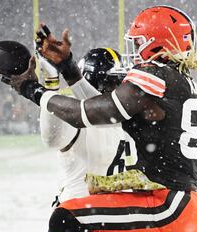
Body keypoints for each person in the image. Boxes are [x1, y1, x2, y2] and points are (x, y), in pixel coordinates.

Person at [8, 5, 197, 232]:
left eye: (139, 42)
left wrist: (32, 90)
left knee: (66, 218)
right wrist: (68, 69)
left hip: (168, 208)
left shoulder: (155, 74)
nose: (136, 50)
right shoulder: (179, 79)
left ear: (158, 42)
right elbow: (104, 114)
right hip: (185, 208)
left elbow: (86, 113)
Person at [38, 47, 137, 204]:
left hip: (117, 212)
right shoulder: (76, 109)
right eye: (114, 82)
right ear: (98, 83)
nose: (120, 87)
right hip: (81, 211)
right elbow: (52, 139)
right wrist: (51, 86)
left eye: (121, 81)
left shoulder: (127, 112)